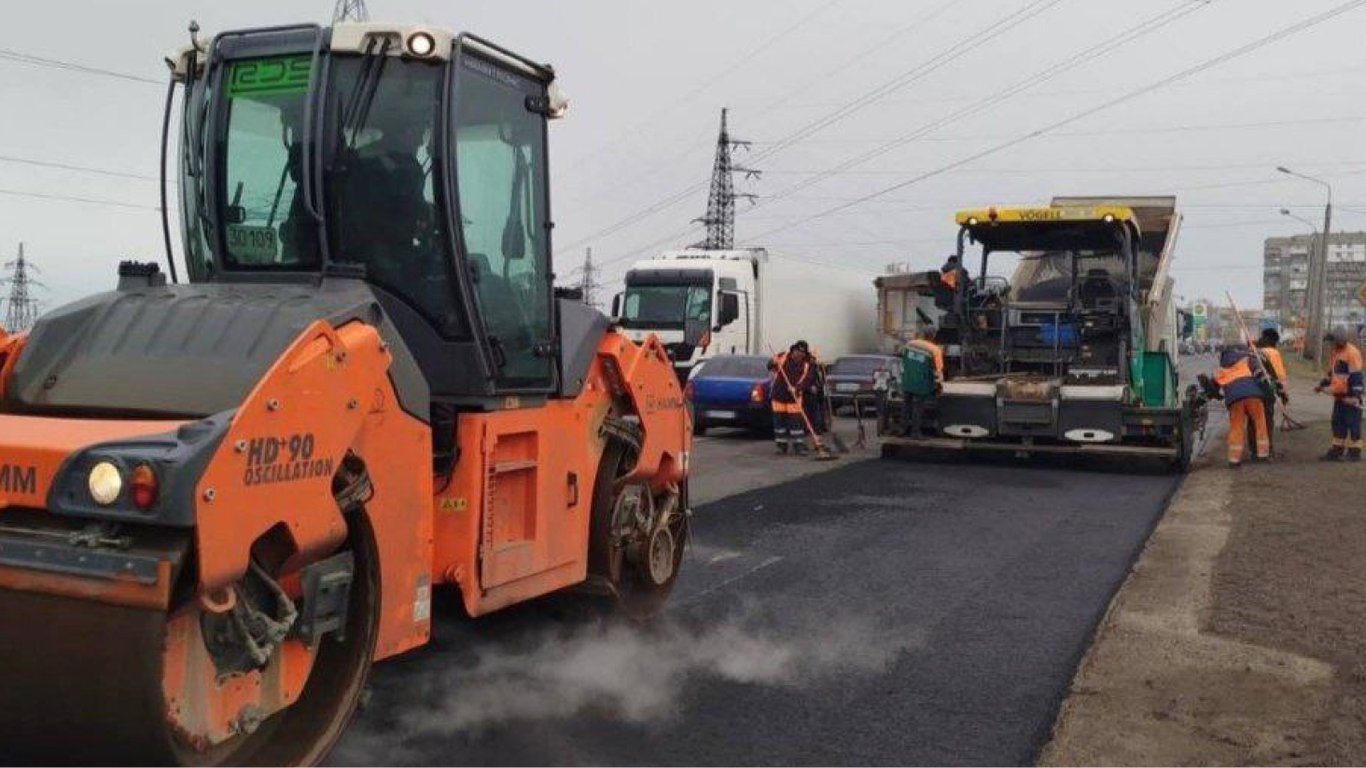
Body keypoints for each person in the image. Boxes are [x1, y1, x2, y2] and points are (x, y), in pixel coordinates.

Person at [1209, 344, 1271, 467]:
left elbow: (1212, 388)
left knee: (1236, 427)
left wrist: (1213, 393)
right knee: (1260, 422)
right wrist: (1268, 389)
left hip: (1235, 400)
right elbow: (1261, 374)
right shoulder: (1247, 360)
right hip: (1253, 396)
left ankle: (1234, 459)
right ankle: (1263, 454)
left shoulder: (1220, 370)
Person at [1315, 325, 1363, 461]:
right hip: (1340, 395)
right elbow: (1333, 373)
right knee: (1338, 422)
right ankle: (1337, 450)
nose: (1331, 345)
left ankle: (1354, 453)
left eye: (1333, 342)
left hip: (1350, 396)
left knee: (1352, 424)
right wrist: (1323, 384)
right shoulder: (1337, 353)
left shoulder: (1352, 353)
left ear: (1339, 341)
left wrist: (1355, 396)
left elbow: (1356, 376)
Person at [769, 341, 815, 455]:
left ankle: (798, 446)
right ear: (793, 350)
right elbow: (770, 366)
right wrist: (772, 362)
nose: (798, 354)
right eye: (797, 351)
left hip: (794, 398)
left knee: (796, 424)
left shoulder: (807, 364)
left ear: (804, 354)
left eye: (802, 353)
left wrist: (797, 388)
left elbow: (807, 380)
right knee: (779, 424)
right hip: (778, 395)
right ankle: (781, 446)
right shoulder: (783, 357)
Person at [900, 326, 945, 437]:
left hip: (907, 381)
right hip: (922, 384)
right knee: (918, 408)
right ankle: (915, 432)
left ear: (923, 334)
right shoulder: (935, 350)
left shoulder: (910, 344)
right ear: (933, 336)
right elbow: (937, 371)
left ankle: (902, 430)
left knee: (906, 406)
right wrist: (939, 385)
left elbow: (903, 361)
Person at [1253, 328, 1289, 455]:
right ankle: (1267, 450)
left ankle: (1254, 451)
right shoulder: (1273, 353)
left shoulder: (1255, 351)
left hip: (1252, 392)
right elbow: (1278, 376)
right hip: (1267, 392)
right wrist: (1283, 394)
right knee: (1267, 421)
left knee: (1253, 422)